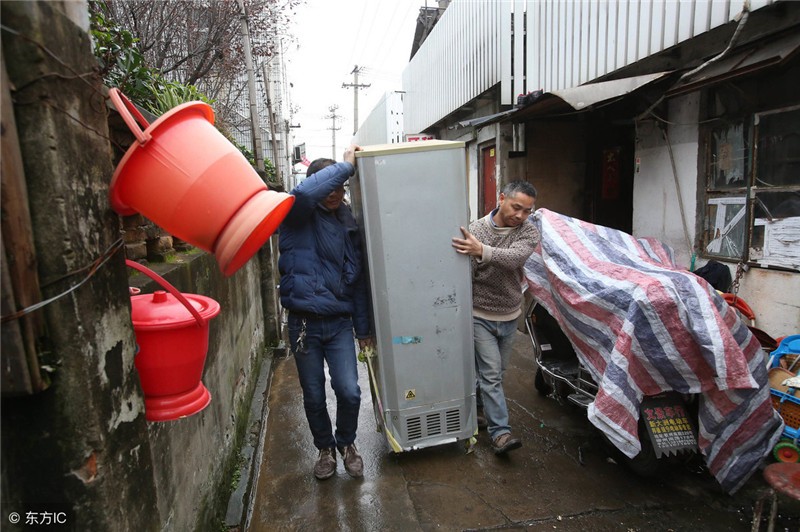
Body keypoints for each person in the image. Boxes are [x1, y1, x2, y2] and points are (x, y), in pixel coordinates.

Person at [278, 144, 374, 480]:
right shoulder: (295, 217)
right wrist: (346, 166)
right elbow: (303, 195)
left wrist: (363, 331)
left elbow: (359, 282)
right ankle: (324, 448)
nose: (335, 193)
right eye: (329, 186)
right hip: (304, 325)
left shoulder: (349, 224)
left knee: (349, 390)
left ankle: (346, 442)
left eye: (341, 187)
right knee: (314, 395)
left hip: (338, 324)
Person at [451, 181, 540, 455]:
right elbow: (465, 274)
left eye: (527, 211)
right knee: (491, 375)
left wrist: (483, 251)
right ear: (502, 198)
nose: (520, 216)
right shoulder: (475, 231)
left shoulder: (529, 232)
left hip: (510, 313)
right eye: (516, 207)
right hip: (480, 315)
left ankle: (479, 410)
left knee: (497, 374)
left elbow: (515, 259)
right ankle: (500, 433)